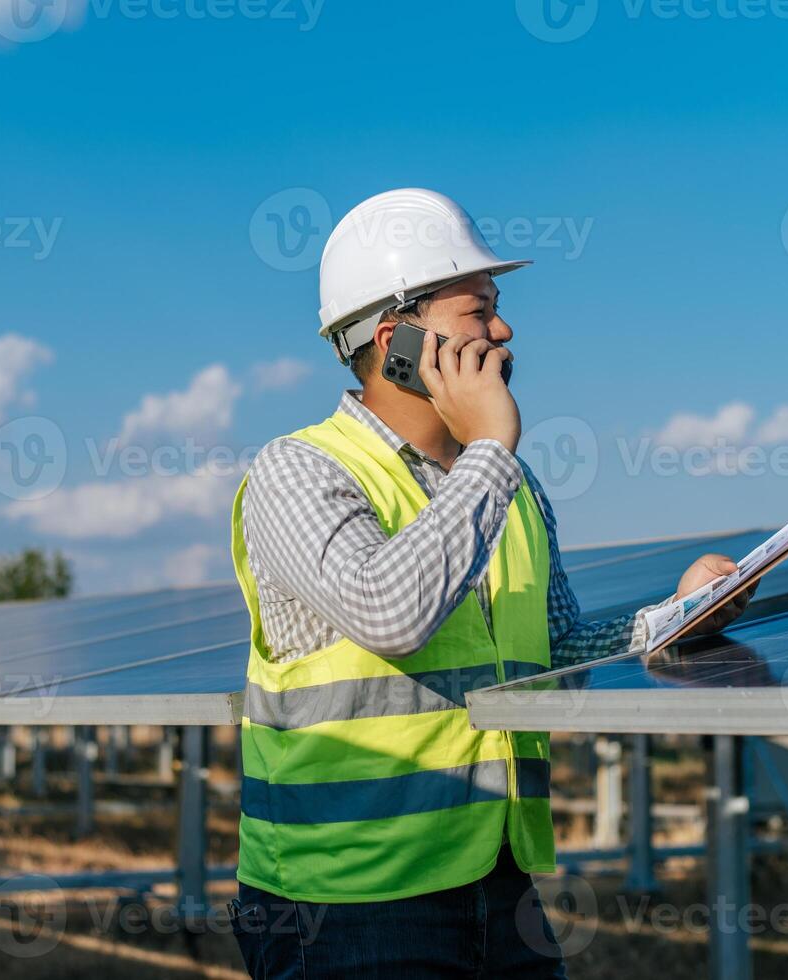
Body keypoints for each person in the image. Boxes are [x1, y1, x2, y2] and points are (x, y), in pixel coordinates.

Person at [227, 188, 754, 978]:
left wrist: (674, 619)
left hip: (497, 881)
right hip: (342, 902)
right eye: (478, 312)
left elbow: (550, 663)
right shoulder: (299, 470)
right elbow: (389, 612)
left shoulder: (506, 485)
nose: (503, 330)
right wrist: (492, 444)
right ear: (396, 337)